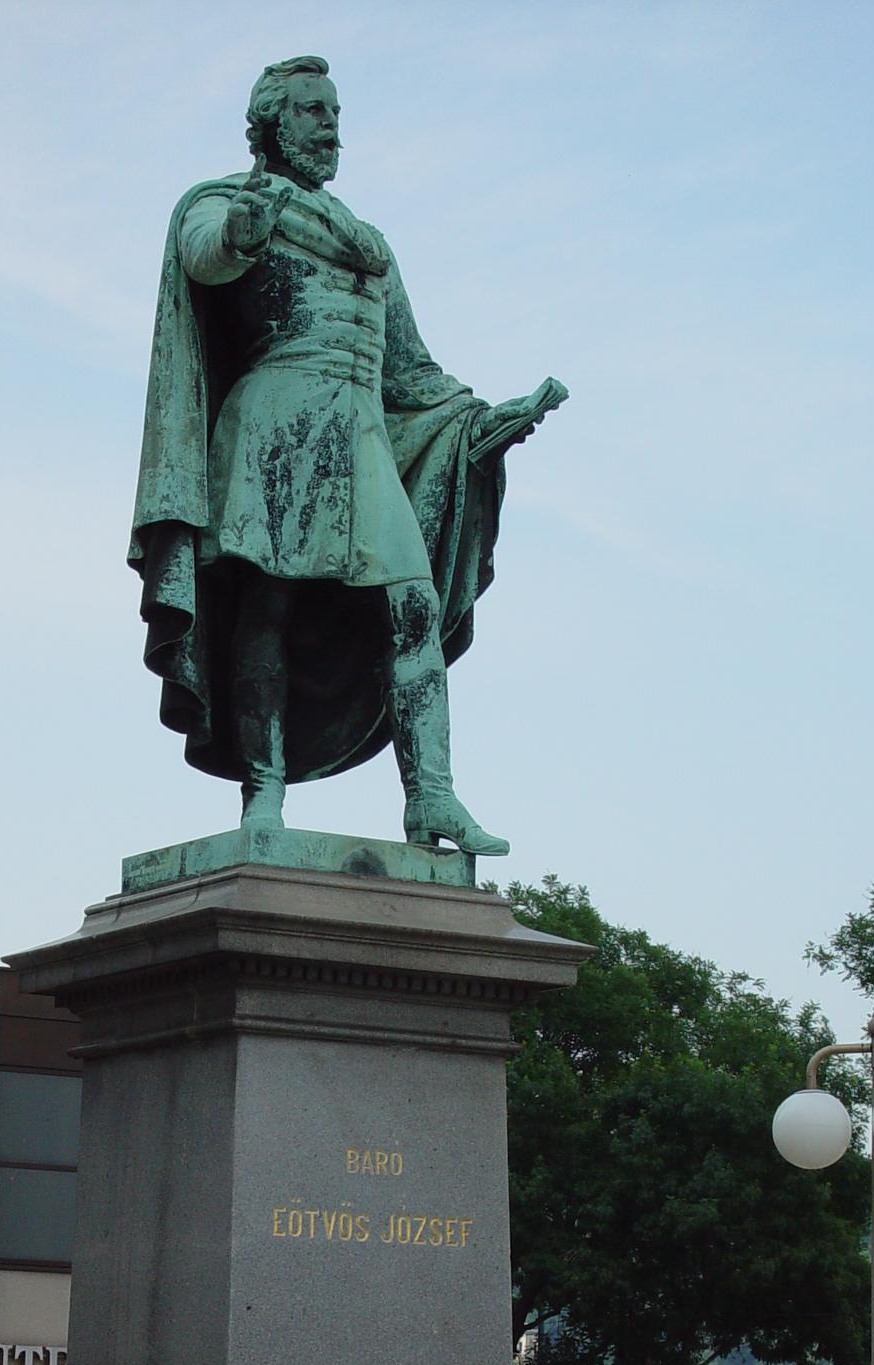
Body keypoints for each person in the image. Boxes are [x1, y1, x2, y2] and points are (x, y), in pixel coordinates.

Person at [130, 55, 565, 856]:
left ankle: (431, 795)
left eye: (334, 112)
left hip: (360, 434)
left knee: (414, 605)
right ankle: (263, 796)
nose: (330, 127)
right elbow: (205, 254)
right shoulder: (227, 201)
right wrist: (240, 233)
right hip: (275, 425)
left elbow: (411, 372)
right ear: (270, 124)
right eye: (312, 111)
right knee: (267, 610)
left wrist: (477, 421)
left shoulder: (368, 243)